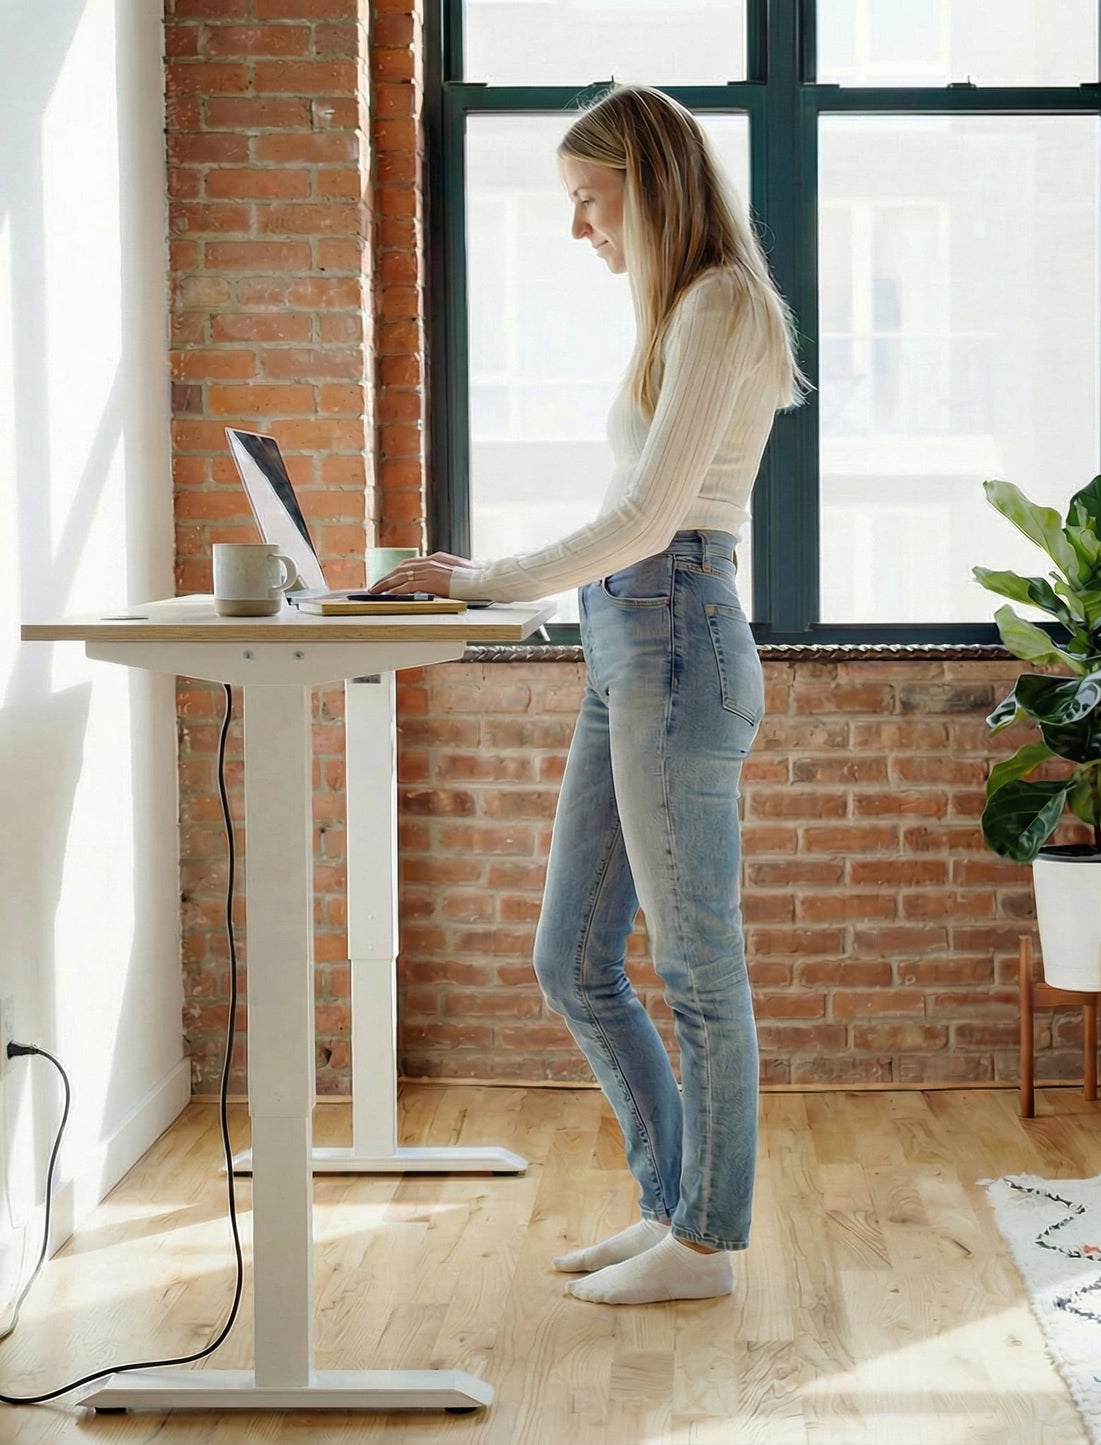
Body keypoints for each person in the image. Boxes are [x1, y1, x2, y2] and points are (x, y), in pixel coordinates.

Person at [372, 84, 807, 1304]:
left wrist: (483, 579)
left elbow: (649, 517)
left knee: (697, 962)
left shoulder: (721, 304)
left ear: (646, 181)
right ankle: (669, 1206)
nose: (579, 229)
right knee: (571, 956)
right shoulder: (678, 313)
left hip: (674, 634)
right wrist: (502, 585)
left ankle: (706, 1243)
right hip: (630, 642)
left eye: (587, 199)